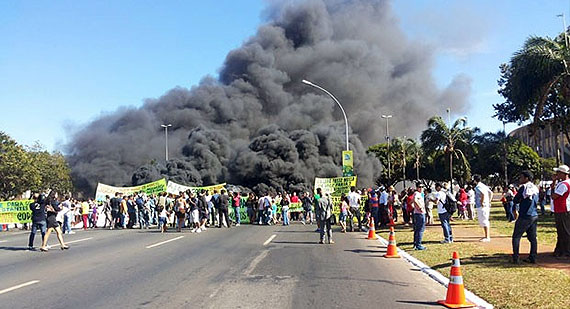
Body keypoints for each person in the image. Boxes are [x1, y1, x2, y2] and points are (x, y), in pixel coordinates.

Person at [512, 170, 539, 264]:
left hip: (525, 215)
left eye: (521, 177)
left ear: (526, 178)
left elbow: (515, 200)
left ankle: (515, 258)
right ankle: (533, 257)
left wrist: (519, 200)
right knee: (533, 238)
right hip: (534, 214)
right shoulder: (535, 187)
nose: (520, 179)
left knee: (516, 236)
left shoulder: (524, 187)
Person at [550, 164, 570, 258]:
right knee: (562, 231)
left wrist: (553, 184)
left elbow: (554, 196)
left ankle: (566, 252)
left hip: (562, 209)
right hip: (562, 209)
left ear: (563, 173)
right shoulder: (565, 183)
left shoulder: (564, 184)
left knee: (564, 231)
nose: (556, 174)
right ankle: (559, 250)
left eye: (558, 172)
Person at [473, 174, 493, 242]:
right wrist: (489, 201)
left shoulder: (478, 187)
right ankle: (486, 236)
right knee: (484, 220)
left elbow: (483, 194)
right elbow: (490, 192)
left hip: (482, 206)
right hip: (485, 205)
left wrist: (482, 202)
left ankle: (487, 237)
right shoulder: (483, 185)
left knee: (484, 220)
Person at [413, 183, 427, 250]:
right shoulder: (416, 193)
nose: (421, 188)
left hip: (420, 213)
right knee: (420, 229)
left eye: (422, 187)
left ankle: (416, 243)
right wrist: (420, 208)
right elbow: (415, 201)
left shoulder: (421, 194)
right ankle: (418, 244)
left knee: (418, 229)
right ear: (417, 187)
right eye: (419, 187)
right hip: (419, 213)